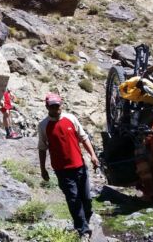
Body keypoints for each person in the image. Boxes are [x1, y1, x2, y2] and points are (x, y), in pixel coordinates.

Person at [38, 92, 100, 239]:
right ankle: (83, 230)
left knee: (86, 199)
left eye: (58, 105)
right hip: (62, 170)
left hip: (79, 166)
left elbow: (84, 138)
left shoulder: (71, 118)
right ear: (47, 107)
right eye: (53, 106)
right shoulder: (43, 125)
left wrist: (93, 155)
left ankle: (86, 220)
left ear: (62, 105)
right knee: (73, 199)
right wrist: (43, 169)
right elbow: (42, 148)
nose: (56, 108)